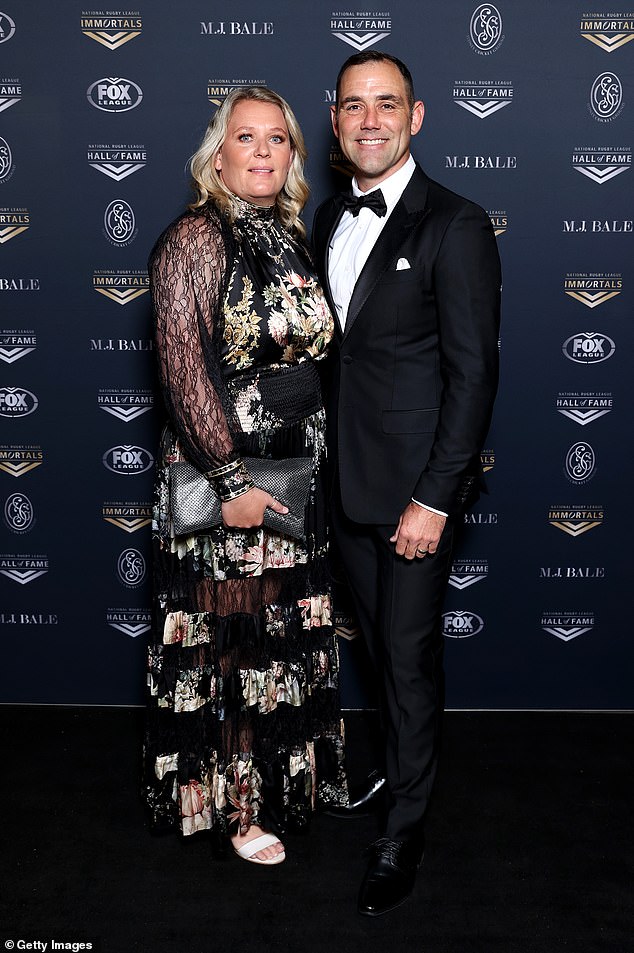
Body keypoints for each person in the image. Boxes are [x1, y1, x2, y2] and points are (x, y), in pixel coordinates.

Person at [313, 52, 501, 914]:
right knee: (382, 653)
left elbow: (472, 379)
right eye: (355, 106)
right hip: (345, 489)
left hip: (413, 500)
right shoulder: (327, 217)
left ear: (417, 118)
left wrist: (433, 499)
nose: (371, 120)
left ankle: (405, 829)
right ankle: (394, 775)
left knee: (409, 661)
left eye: (388, 105)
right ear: (335, 118)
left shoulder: (454, 224)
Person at [144, 86, 347, 866]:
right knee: (231, 645)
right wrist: (229, 483)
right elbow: (184, 369)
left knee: (276, 639)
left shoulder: (291, 236)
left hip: (296, 478)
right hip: (229, 481)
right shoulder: (196, 237)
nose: (262, 151)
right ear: (216, 154)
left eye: (277, 139)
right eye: (245, 137)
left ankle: (275, 784)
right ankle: (236, 811)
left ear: (294, 155)